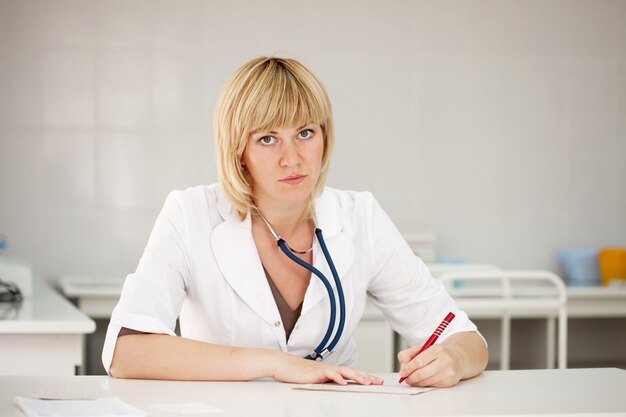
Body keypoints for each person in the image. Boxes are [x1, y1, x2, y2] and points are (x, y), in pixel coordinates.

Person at [103, 56, 488, 387]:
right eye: (268, 139)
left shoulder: (359, 217)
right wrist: (275, 364)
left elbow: (466, 339)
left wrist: (451, 359)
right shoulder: (190, 214)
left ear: (325, 137)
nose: (292, 158)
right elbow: (126, 351)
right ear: (238, 150)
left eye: (305, 133)